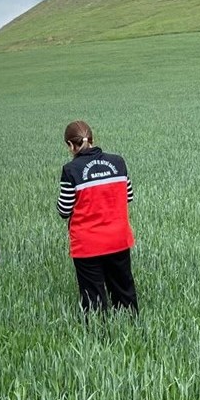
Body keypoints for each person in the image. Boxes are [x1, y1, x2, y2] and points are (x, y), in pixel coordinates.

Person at [56, 120, 138, 314]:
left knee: (93, 296)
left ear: (70, 145)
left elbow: (64, 210)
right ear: (92, 139)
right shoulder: (118, 162)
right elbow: (129, 196)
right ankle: (131, 326)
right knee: (124, 289)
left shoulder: (71, 170)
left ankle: (97, 337)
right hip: (118, 238)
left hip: (88, 244)